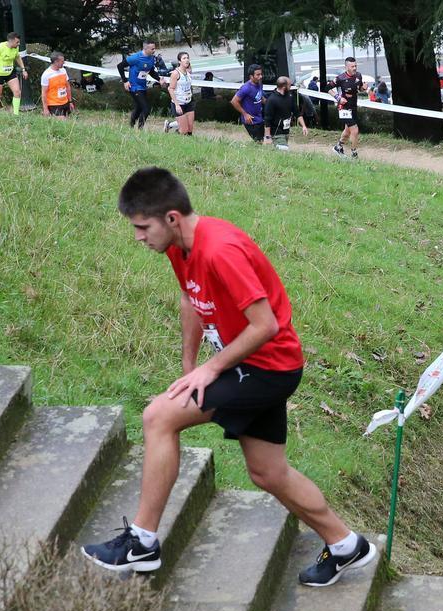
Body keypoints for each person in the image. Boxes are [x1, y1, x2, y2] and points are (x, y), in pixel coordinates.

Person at [83, 167, 377, 587]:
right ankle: (346, 544)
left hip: (267, 367)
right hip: (250, 365)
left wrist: (212, 367)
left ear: (171, 218)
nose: (138, 236)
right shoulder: (178, 246)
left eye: (142, 227)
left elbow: (265, 325)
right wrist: (189, 364)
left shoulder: (220, 249)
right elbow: (190, 297)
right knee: (268, 473)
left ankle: (142, 542)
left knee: (158, 417)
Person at [0, 32, 27, 115]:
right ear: (11, 41)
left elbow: (17, 57)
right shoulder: (0, 47)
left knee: (17, 92)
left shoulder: (15, 48)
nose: (19, 44)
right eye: (17, 42)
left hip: (10, 73)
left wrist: (23, 69)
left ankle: (16, 114)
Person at [330, 56, 366, 159]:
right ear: (346, 67)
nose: (354, 68)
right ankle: (354, 155)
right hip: (343, 107)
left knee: (347, 131)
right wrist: (338, 97)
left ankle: (338, 147)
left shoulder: (358, 75)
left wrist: (363, 88)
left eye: (355, 66)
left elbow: (359, 89)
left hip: (353, 106)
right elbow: (327, 88)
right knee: (355, 130)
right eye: (352, 66)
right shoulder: (340, 78)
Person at [264, 76, 313, 150]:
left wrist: (304, 126)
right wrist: (267, 136)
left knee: (281, 152)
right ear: (284, 87)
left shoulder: (290, 97)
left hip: (286, 131)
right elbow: (267, 119)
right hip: (276, 133)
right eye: (289, 85)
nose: (290, 87)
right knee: (284, 150)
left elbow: (297, 113)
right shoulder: (271, 100)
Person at [119, 40, 159, 130]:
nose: (154, 50)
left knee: (139, 108)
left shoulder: (151, 58)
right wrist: (125, 81)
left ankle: (131, 126)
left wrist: (160, 79)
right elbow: (120, 66)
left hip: (143, 86)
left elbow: (151, 71)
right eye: (152, 49)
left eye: (155, 48)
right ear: (145, 48)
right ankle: (140, 129)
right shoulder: (136, 58)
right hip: (134, 87)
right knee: (146, 109)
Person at [231, 64, 266, 143]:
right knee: (259, 141)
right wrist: (245, 114)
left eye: (261, 74)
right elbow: (234, 101)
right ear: (251, 76)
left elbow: (260, 96)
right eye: (258, 75)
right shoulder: (246, 88)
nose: (260, 76)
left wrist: (268, 102)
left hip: (259, 118)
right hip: (250, 120)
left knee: (262, 140)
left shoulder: (260, 83)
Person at [163, 52, 195, 135]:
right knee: (184, 130)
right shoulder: (175, 73)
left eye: (187, 58)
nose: (187, 60)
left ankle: (172, 127)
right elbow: (170, 89)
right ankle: (174, 131)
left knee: (190, 129)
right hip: (179, 103)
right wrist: (177, 105)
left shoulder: (188, 72)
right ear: (179, 61)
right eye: (184, 58)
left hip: (189, 102)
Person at [39, 51, 73, 118]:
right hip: (53, 104)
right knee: (63, 121)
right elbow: (44, 93)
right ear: (56, 62)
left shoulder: (63, 70)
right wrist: (45, 109)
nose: (64, 63)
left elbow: (68, 87)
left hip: (65, 102)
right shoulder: (46, 74)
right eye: (62, 61)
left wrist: (70, 101)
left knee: (68, 123)